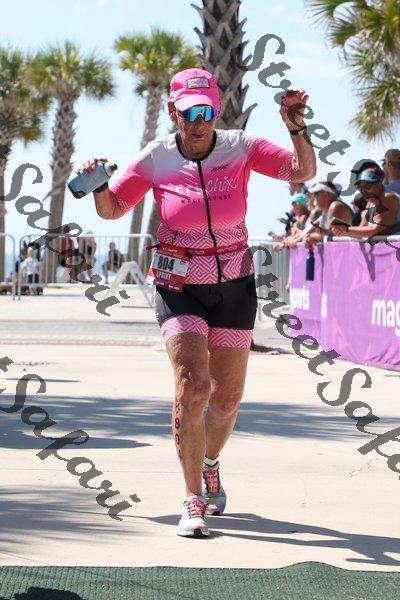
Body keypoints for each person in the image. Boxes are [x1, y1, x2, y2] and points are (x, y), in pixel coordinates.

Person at [76, 67, 316, 538]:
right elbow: (112, 209)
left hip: (235, 284)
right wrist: (99, 184)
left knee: (226, 399)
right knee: (192, 386)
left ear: (217, 111)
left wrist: (295, 127)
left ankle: (210, 464)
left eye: (206, 111)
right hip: (179, 284)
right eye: (189, 113)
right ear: (173, 112)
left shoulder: (241, 147)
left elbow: (301, 171)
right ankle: (192, 499)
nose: (199, 121)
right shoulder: (157, 157)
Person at [332, 166, 400, 239]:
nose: (363, 191)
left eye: (367, 186)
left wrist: (347, 229)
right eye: (360, 187)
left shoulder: (389, 198)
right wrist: (343, 230)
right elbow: (362, 230)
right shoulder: (370, 202)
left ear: (379, 184)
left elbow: (377, 230)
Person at [303, 180, 353, 248]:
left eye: (315, 193)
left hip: (347, 250)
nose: (314, 197)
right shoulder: (326, 209)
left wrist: (310, 237)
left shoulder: (335, 206)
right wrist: (308, 237)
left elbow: (329, 235)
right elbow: (324, 235)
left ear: (325, 194)